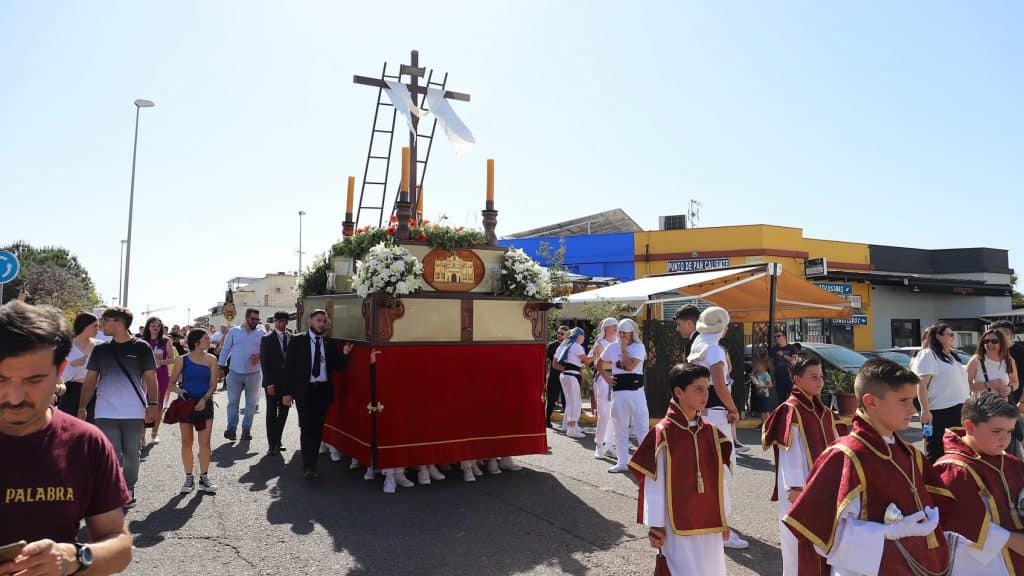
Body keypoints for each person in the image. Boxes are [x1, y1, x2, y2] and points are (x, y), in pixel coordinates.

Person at [783, 358, 952, 575]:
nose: (913, 409)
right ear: (871, 402)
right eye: (903, 401)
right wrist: (887, 533)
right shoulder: (845, 456)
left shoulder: (909, 453)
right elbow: (825, 538)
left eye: (913, 400)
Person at [0, 301, 133, 576]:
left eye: (33, 380)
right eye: (1, 379)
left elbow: (119, 545)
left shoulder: (85, 442)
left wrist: (74, 557)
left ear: (61, 370)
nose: (14, 397)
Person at [629, 363, 731, 576]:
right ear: (678, 392)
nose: (705, 395)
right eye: (698, 389)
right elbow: (654, 483)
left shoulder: (711, 432)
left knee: (712, 569)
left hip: (710, 517)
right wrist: (656, 524)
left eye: (707, 388)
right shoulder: (663, 433)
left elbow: (719, 479)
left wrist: (724, 518)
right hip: (675, 523)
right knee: (682, 569)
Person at [761, 355, 839, 576]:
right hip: (799, 491)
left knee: (822, 546)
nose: (820, 381)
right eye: (813, 377)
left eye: (821, 376)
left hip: (823, 491)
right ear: (796, 379)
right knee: (797, 548)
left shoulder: (822, 411)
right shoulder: (791, 409)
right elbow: (790, 452)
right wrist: (794, 487)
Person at [931, 392, 1024, 575]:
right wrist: (1013, 541)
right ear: (969, 427)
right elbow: (962, 522)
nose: (1005, 439)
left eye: (1009, 431)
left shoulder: (1013, 463)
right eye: (996, 431)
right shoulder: (953, 469)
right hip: (978, 563)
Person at [79, 306, 159, 508]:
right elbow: (90, 379)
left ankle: (128, 487)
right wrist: (82, 406)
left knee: (132, 452)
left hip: (134, 411)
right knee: (111, 452)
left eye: (105, 321)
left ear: (118, 322)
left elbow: (151, 377)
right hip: (105, 411)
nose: (101, 325)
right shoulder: (100, 349)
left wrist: (154, 404)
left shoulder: (141, 347)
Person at [686, 306, 748, 549]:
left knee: (708, 470)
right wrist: (734, 410)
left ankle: (710, 523)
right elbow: (721, 387)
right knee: (719, 471)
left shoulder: (699, 344)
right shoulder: (714, 350)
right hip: (717, 413)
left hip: (701, 412)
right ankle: (722, 529)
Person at [282, 309, 353, 480]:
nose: (321, 324)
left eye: (324, 321)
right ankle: (308, 466)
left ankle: (313, 462)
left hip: (322, 392)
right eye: (318, 320)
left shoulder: (328, 343)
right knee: (307, 428)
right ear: (310, 321)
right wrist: (287, 392)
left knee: (317, 428)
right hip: (304, 391)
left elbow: (338, 366)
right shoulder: (298, 340)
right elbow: (289, 367)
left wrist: (344, 354)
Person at [167, 329, 219, 495]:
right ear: (197, 342)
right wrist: (180, 392)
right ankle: (188, 478)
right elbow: (171, 383)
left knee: (205, 443)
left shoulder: (212, 359)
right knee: (187, 442)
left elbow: (213, 384)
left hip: (205, 404)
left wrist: (204, 399)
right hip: (186, 405)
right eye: (206, 338)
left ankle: (204, 478)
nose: (209, 340)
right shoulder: (182, 360)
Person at [912, 322, 971, 461]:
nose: (953, 337)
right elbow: (921, 384)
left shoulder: (951, 356)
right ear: (938, 336)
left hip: (959, 409)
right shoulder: (928, 354)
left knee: (956, 448)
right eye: (950, 334)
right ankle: (932, 480)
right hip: (938, 412)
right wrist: (925, 410)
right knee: (935, 447)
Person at [599, 318, 650, 474]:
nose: (621, 335)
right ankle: (622, 462)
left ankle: (646, 462)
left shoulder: (638, 347)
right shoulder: (612, 347)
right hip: (619, 392)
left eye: (624, 332)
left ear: (632, 333)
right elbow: (598, 363)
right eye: (619, 332)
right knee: (619, 427)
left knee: (641, 427)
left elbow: (629, 367)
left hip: (636, 392)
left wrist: (623, 349)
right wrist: (607, 378)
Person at [218, 309, 265, 441]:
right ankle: (231, 429)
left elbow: (267, 350)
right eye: (253, 319)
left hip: (253, 374)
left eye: (257, 319)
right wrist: (220, 366)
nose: (255, 322)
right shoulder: (234, 331)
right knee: (233, 402)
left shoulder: (262, 333)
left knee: (251, 404)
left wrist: (260, 355)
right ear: (246, 317)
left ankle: (246, 430)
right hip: (234, 373)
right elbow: (226, 349)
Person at [56, 312, 100, 422]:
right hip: (71, 391)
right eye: (95, 326)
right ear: (85, 326)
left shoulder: (100, 346)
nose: (98, 329)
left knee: (90, 427)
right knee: (67, 425)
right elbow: (59, 377)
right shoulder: (66, 347)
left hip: (93, 392)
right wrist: (72, 365)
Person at [991, 320, 1024, 457]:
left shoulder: (1020, 352)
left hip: (1018, 404)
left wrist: (1022, 402)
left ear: (1008, 334)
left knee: (1019, 441)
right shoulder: (996, 352)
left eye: (997, 334)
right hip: (1000, 406)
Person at [260, 311, 292, 454]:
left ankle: (277, 440)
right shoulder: (267, 339)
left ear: (287, 322)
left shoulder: (292, 337)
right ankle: (271, 444)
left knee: (284, 412)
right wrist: (268, 383)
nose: (280, 323)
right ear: (274, 321)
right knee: (271, 412)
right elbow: (264, 363)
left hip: (287, 383)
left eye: (283, 321)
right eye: (277, 321)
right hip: (272, 382)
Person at [142, 316, 175, 445]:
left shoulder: (165, 341)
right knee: (143, 404)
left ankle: (154, 433)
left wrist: (160, 362)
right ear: (148, 327)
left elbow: (172, 359)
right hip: (144, 376)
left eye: (158, 326)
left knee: (158, 405)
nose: (156, 328)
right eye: (153, 326)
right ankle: (142, 435)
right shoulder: (142, 340)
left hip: (161, 375)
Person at [589, 318, 618, 459]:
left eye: (616, 326)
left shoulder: (618, 344)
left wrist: (612, 363)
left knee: (614, 415)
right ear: (606, 328)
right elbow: (600, 365)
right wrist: (617, 364)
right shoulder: (600, 344)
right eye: (613, 326)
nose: (616, 329)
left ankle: (610, 444)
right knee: (604, 414)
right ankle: (599, 444)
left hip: (616, 380)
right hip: (603, 379)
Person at [966, 328, 1018, 400]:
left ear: (1001, 343)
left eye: (994, 341)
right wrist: (988, 384)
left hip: (1002, 406)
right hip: (982, 407)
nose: (989, 344)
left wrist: (1009, 389)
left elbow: (1015, 382)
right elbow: (965, 386)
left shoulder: (1009, 360)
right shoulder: (976, 360)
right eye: (986, 341)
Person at [555, 327, 587, 439]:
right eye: (583, 336)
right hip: (572, 375)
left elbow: (555, 362)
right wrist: (595, 355)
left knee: (570, 402)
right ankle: (572, 429)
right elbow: (585, 361)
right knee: (575, 403)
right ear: (579, 336)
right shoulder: (577, 346)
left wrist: (567, 369)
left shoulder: (563, 345)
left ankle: (567, 425)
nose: (584, 338)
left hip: (564, 375)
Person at [545, 326, 568, 428]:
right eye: (558, 333)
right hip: (554, 377)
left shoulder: (570, 346)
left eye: (562, 334)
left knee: (566, 400)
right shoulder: (552, 346)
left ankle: (568, 423)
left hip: (567, 376)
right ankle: (547, 420)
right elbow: (545, 361)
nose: (559, 335)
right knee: (551, 399)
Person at [770, 331, 799, 407]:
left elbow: (794, 361)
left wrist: (784, 355)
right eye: (775, 337)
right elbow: (770, 362)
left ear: (784, 337)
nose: (776, 338)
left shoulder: (792, 348)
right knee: (780, 400)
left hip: (790, 378)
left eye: (778, 336)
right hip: (779, 378)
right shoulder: (774, 349)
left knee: (792, 398)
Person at [748, 357, 775, 424]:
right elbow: (751, 375)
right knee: (762, 410)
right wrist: (754, 370)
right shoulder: (758, 373)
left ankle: (768, 423)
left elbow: (770, 385)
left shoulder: (766, 374)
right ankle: (763, 423)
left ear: (764, 367)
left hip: (764, 395)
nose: (757, 367)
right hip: (759, 394)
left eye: (758, 366)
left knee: (766, 410)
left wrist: (761, 386)